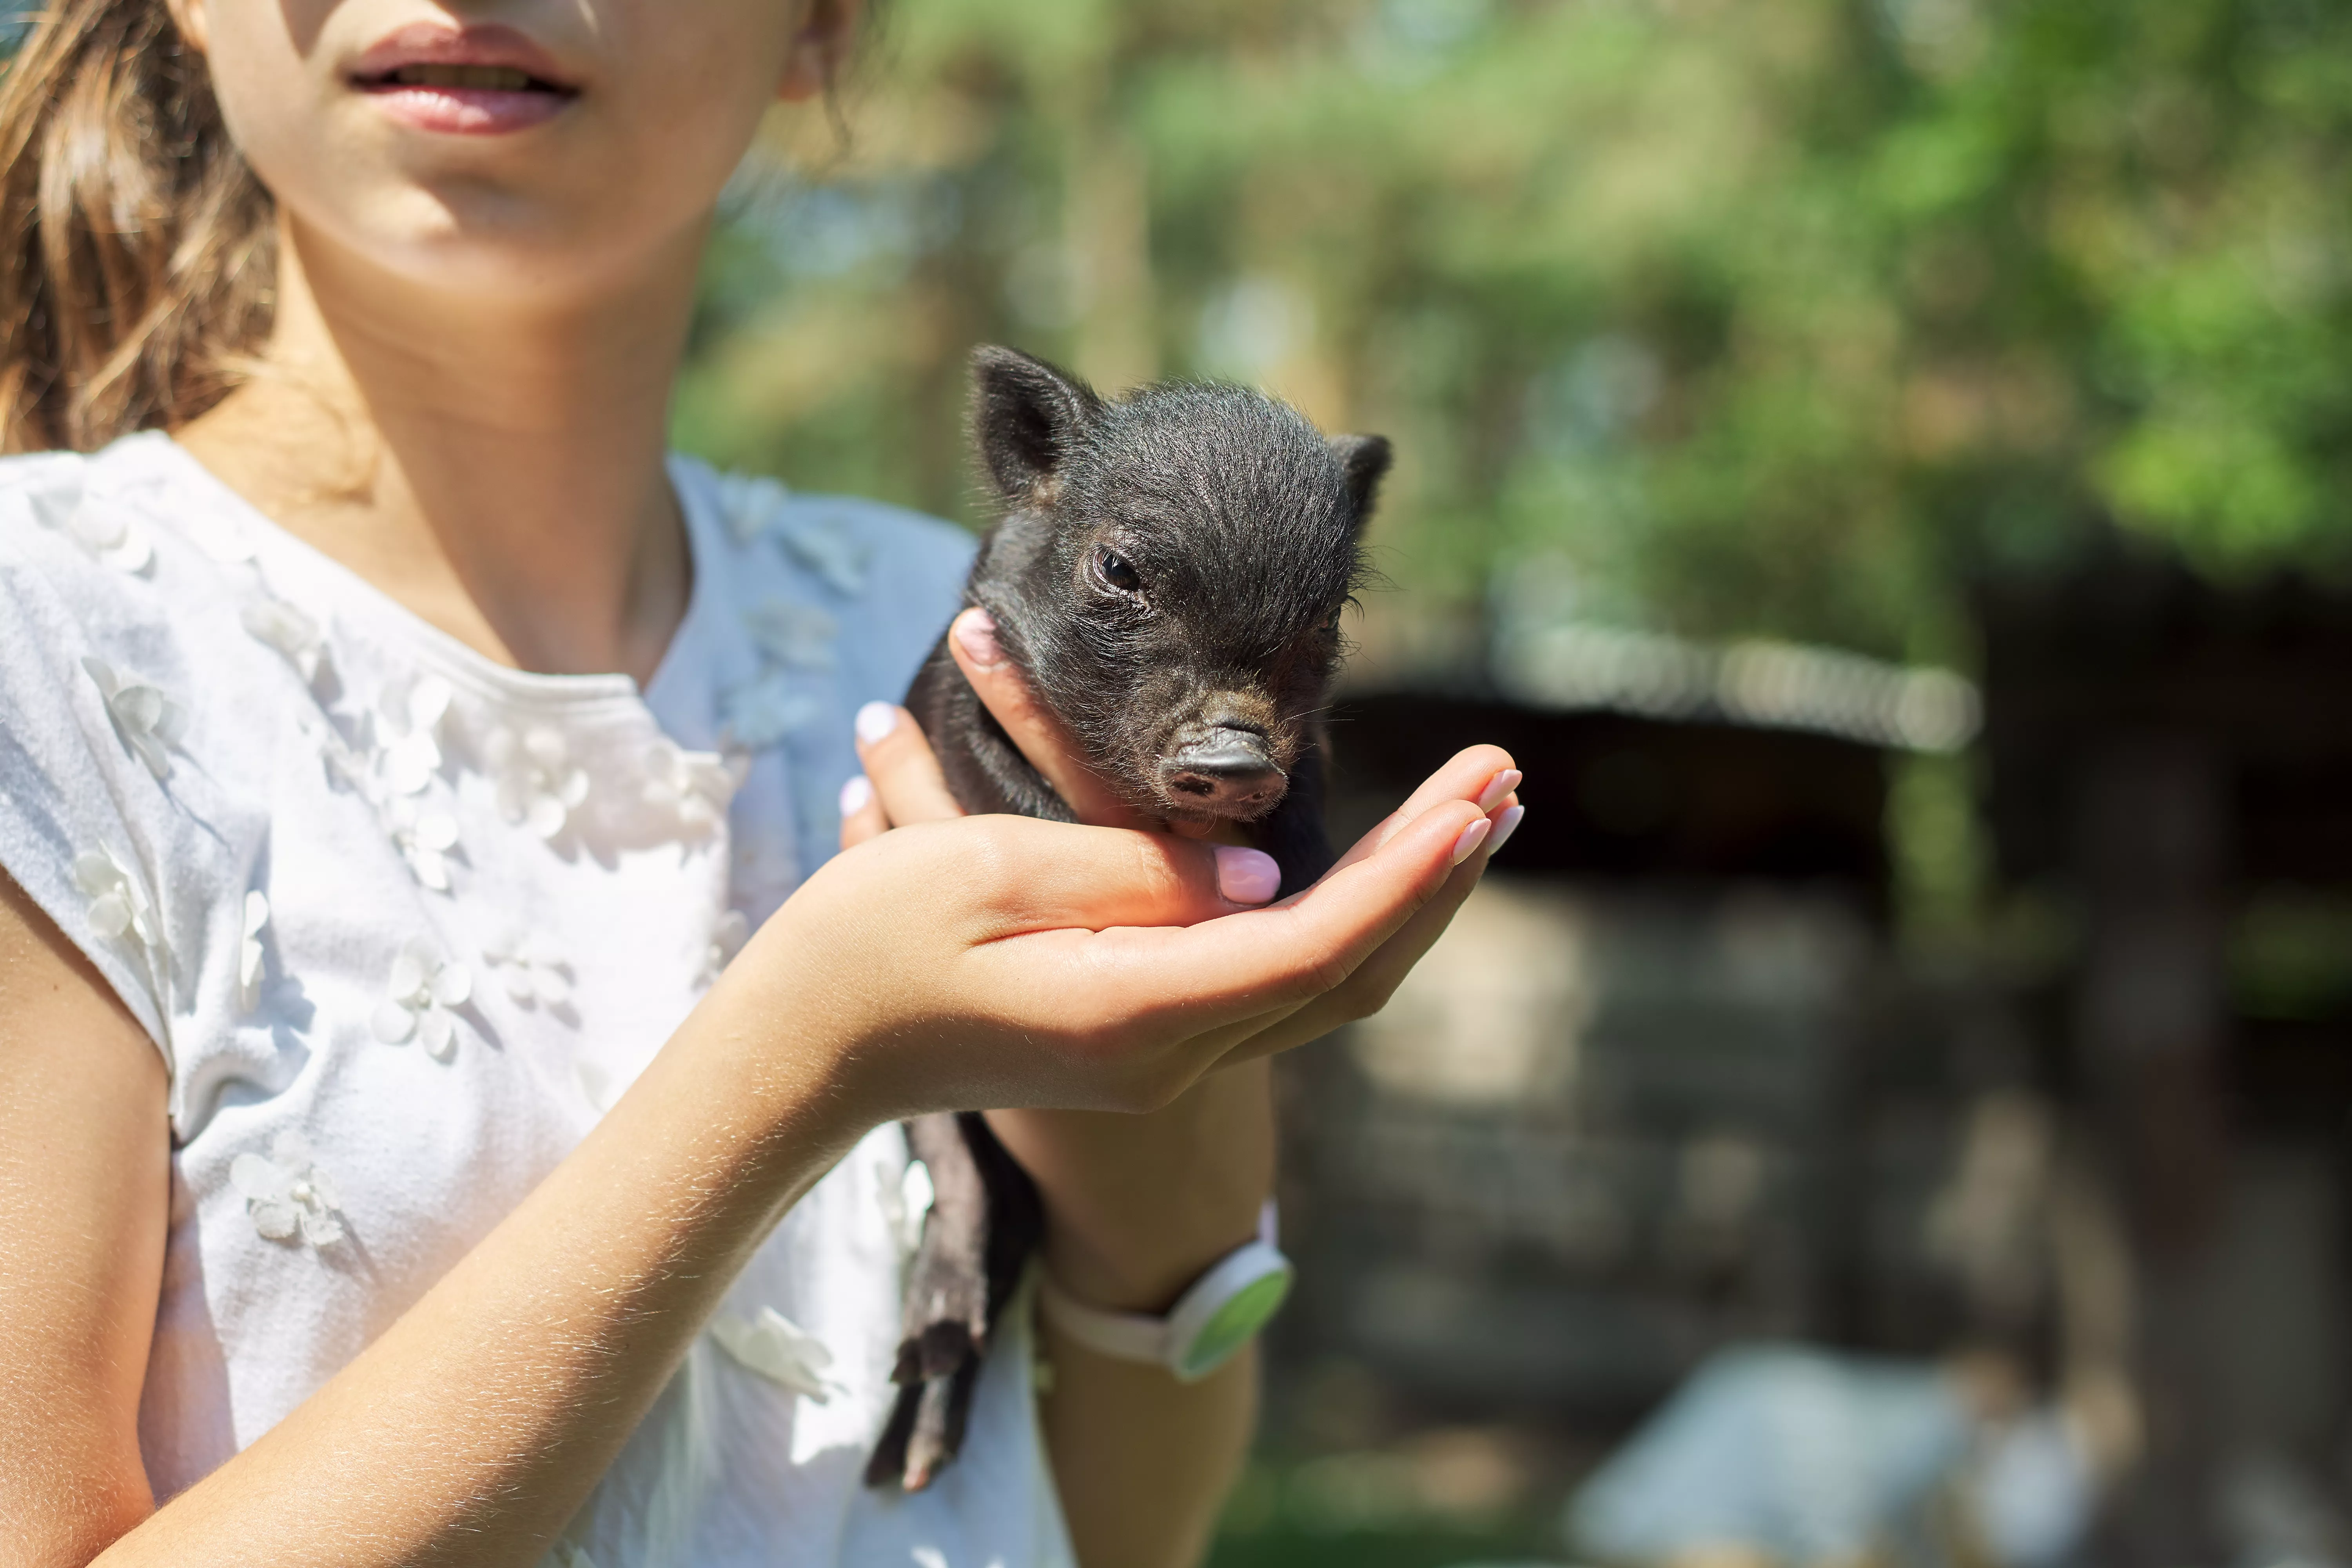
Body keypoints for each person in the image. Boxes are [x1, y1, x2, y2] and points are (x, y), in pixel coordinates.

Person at [0, 2, 1525, 1565]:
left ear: (819, 20)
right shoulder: (36, 647)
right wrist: (806, 1057)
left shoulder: (990, 653)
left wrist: (1150, 1135)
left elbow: (1127, 1524)